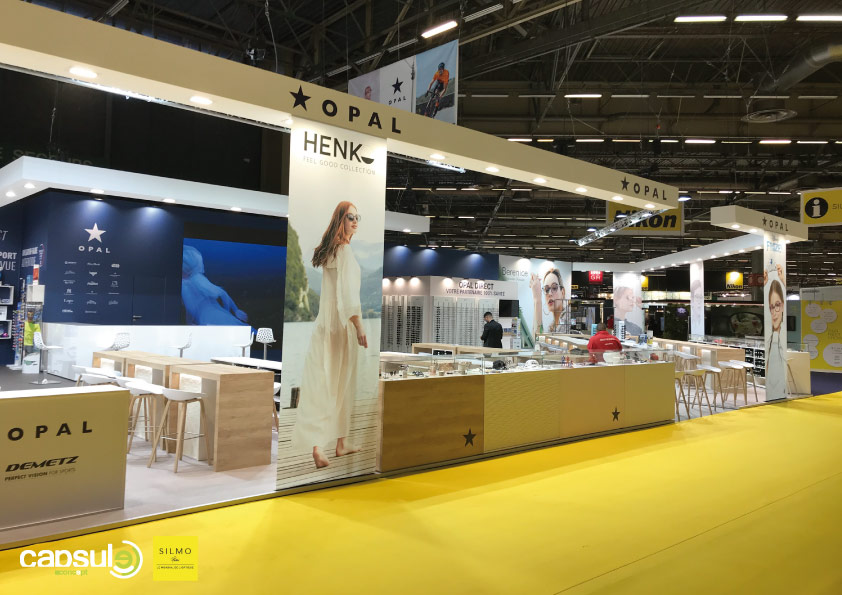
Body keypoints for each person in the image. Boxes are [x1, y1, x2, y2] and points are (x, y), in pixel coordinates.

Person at [291, 201, 367, 469]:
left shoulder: (330, 250)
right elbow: (348, 295)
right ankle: (325, 445)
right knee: (339, 384)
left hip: (324, 325)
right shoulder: (343, 250)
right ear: (340, 220)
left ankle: (337, 443)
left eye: (357, 217)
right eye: (350, 217)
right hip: (341, 326)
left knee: (324, 383)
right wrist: (359, 326)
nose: (355, 221)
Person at [182, 245, 249, 326]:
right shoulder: (198, 278)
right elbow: (223, 294)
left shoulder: (187, 284)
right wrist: (234, 310)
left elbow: (191, 308)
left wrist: (189, 322)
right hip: (220, 314)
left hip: (208, 318)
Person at [764, 266, 787, 399]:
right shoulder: (769, 340)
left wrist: (783, 281)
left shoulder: (782, 338)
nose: (774, 312)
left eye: (777, 305)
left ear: (783, 305)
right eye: (771, 307)